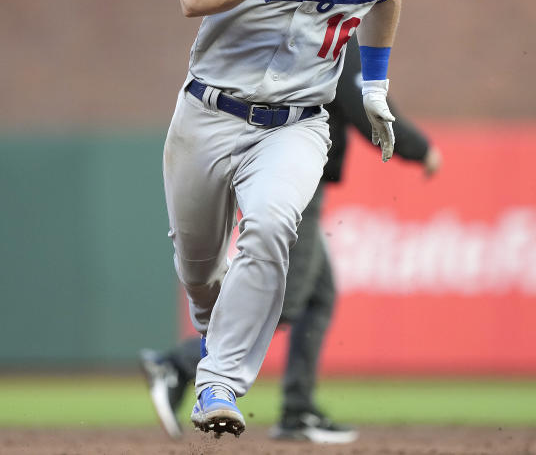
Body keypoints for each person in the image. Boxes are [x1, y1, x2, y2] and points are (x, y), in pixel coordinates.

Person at [161, 0, 408, 438]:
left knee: (271, 225)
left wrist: (374, 84)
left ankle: (220, 386)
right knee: (198, 270)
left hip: (297, 123)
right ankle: (209, 325)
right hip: (209, 113)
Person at [144, 36, 442, 443]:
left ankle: (298, 411)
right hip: (291, 176)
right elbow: (361, 107)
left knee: (318, 297)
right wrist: (421, 149)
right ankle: (180, 364)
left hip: (288, 169)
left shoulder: (317, 25)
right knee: (282, 299)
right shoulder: (337, 32)